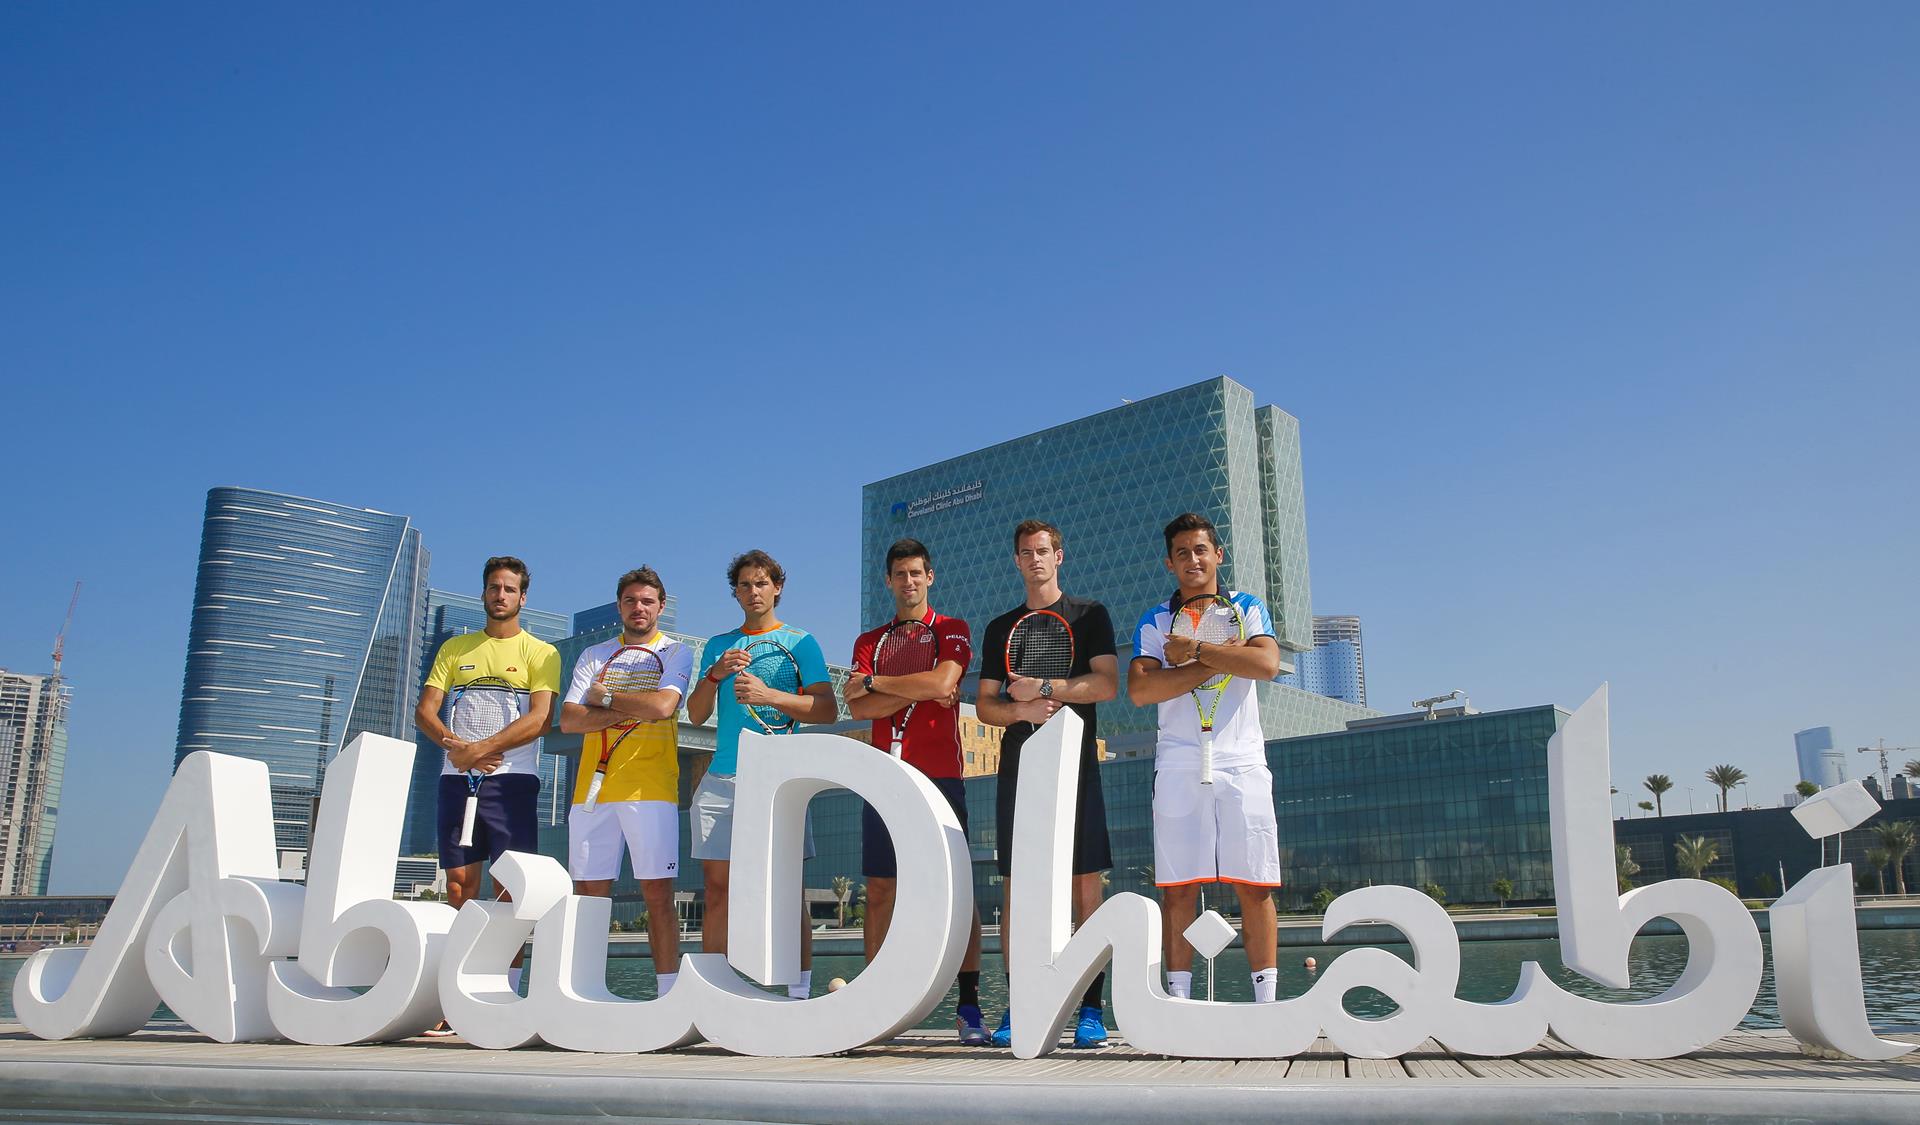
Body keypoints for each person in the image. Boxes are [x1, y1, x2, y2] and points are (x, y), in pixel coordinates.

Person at [1126, 513, 1285, 1004]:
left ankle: (1266, 1006)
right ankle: (1178, 1002)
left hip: (1243, 760)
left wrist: (1194, 651)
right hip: (1178, 762)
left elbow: (1266, 663)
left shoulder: (1248, 606)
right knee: (1177, 889)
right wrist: (1220, 656)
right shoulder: (1155, 620)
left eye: (1200, 550)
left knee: (1254, 886)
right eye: (1182, 553)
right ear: (1169, 563)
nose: (1192, 559)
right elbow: (1142, 690)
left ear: (1218, 555)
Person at [975, 519, 1118, 1048]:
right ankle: (1021, 1003)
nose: (1034, 559)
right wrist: (1020, 710)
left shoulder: (1090, 615)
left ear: (1059, 556)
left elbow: (1106, 684)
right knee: (1018, 887)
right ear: (1016, 561)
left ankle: (1091, 1008)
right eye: (1025, 552)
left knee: (1085, 885)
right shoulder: (1000, 627)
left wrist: (1045, 688)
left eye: (1042, 551)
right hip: (1020, 767)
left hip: (1075, 763)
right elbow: (985, 706)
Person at [843, 538, 988, 1044]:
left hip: (942, 777)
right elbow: (858, 707)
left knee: (957, 892)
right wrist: (914, 685)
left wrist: (879, 684)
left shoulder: (952, 628)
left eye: (916, 573)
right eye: (900, 574)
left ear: (930, 577)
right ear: (889, 581)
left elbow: (943, 683)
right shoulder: (869, 640)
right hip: (885, 778)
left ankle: (969, 1006)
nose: (909, 581)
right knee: (881, 890)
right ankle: (875, 1007)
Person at [414, 556, 561, 1031]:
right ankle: (453, 995)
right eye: (494, 587)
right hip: (456, 778)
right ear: (483, 593)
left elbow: (540, 719)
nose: (501, 595)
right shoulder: (455, 648)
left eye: (510, 589)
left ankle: (504, 991)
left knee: (510, 889)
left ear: (523, 597)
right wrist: (458, 749)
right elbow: (425, 711)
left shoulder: (541, 652)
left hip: (512, 781)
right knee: (459, 884)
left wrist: (482, 748)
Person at [686, 549, 837, 999]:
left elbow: (826, 710)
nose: (753, 591)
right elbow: (696, 715)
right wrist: (713, 676)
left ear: (778, 587)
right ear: (735, 592)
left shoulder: (801, 642)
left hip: (779, 782)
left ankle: (799, 993)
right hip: (721, 780)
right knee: (716, 889)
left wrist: (769, 695)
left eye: (762, 583)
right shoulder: (718, 645)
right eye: (745, 585)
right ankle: (716, 994)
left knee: (788, 889)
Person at [558, 566, 692, 997]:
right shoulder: (594, 654)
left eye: (647, 601)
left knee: (658, 895)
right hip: (592, 792)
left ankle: (668, 997)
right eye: (631, 600)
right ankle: (582, 993)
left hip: (651, 789)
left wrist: (607, 699)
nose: (639, 608)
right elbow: (570, 719)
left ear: (661, 606)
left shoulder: (676, 652)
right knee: (588, 897)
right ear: (619, 606)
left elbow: (664, 707)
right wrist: (635, 707)